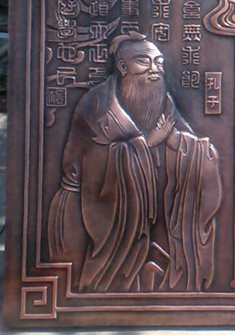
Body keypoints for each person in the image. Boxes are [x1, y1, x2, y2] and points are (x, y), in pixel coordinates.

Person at [47, 32, 222, 293]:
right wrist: (149, 143)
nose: (155, 69)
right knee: (98, 287)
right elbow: (93, 167)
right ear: (122, 66)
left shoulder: (161, 98)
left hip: (149, 212)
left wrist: (181, 143)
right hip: (97, 213)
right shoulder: (98, 105)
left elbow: (186, 141)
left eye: (159, 62)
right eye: (143, 61)